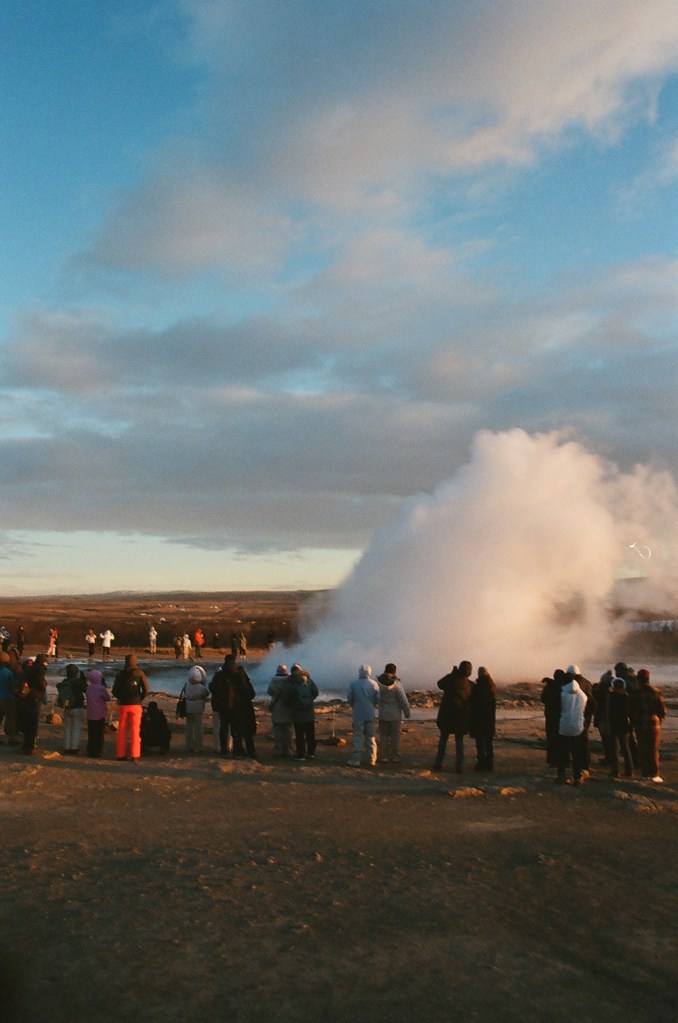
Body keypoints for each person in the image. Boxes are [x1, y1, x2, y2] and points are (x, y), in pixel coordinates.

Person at [209, 654, 257, 759]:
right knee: (236, 729)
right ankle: (237, 751)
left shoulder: (219, 675)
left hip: (222, 706)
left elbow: (211, 687)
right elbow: (245, 690)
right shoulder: (238, 674)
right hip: (236, 706)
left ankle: (224, 751)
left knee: (223, 729)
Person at [432, 661, 473, 772]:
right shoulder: (470, 685)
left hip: (447, 716)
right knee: (459, 741)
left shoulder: (451, 679)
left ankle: (438, 763)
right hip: (461, 717)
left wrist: (451, 674)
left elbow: (440, 684)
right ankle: (459, 766)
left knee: (443, 740)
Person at [629, 668, 666, 782]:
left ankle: (645, 774)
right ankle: (654, 774)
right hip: (653, 724)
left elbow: (630, 709)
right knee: (653, 749)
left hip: (639, 724)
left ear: (638, 679)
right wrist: (659, 719)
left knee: (643, 749)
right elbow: (662, 710)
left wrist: (633, 720)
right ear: (648, 678)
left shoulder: (635, 693)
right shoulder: (655, 691)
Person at [112, 654, 149, 761]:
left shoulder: (120, 674)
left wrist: (121, 698)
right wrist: (140, 698)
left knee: (122, 730)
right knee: (135, 730)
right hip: (135, 704)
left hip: (123, 704)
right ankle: (134, 754)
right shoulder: (139, 673)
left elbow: (114, 690)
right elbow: (146, 689)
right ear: (135, 661)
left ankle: (121, 754)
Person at [557, 672, 591, 787]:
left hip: (564, 726)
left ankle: (561, 775)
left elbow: (559, 708)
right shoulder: (583, 695)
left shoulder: (562, 694)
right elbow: (590, 707)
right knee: (577, 753)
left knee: (563, 751)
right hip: (578, 726)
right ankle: (577, 776)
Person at [283, 663, 319, 762]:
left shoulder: (290, 682)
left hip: (297, 713)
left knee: (299, 734)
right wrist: (310, 700)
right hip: (309, 712)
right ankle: (311, 753)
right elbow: (316, 692)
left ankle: (301, 755)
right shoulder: (309, 680)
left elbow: (285, 698)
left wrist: (291, 705)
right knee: (310, 733)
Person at [347, 665, 380, 767]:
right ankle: (372, 759)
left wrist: (354, 706)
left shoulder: (354, 683)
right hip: (370, 713)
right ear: (369, 672)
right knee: (370, 737)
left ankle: (356, 760)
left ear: (359, 672)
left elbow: (350, 698)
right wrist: (372, 705)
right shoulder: (374, 684)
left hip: (358, 713)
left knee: (358, 736)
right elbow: (378, 699)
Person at [377, 663, 410, 763]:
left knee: (383, 735)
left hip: (382, 714)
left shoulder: (378, 683)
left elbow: (375, 697)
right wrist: (407, 712)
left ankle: (383, 756)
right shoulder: (397, 685)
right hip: (395, 715)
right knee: (395, 736)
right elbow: (403, 700)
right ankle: (395, 756)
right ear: (394, 671)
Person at [18, 653, 48, 754]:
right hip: (35, 696)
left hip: (28, 696)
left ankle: (26, 745)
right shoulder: (40, 669)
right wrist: (43, 687)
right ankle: (30, 746)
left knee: (28, 721)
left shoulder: (31, 668)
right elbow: (40, 682)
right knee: (33, 722)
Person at [470, 666, 497, 772]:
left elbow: (473, 701)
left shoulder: (477, 686)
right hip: (489, 718)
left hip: (478, 718)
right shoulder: (492, 686)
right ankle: (489, 763)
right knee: (489, 742)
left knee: (480, 742)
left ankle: (481, 763)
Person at [57, 663, 88, 755]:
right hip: (77, 706)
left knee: (68, 727)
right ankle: (74, 748)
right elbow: (86, 690)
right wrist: (83, 680)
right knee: (76, 728)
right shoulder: (78, 682)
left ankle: (67, 747)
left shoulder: (65, 681)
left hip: (67, 706)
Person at [607, 677, 633, 779]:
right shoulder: (627, 698)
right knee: (626, 748)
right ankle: (629, 770)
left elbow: (609, 711)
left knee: (615, 749)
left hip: (614, 725)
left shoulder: (611, 697)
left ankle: (615, 771)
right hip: (625, 725)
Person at [267, 663, 293, 757]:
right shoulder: (290, 681)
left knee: (277, 731)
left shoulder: (273, 681)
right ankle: (288, 750)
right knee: (288, 730)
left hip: (277, 707)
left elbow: (269, 692)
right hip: (287, 708)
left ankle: (279, 750)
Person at [183, 665, 210, 754]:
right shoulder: (201, 687)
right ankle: (198, 747)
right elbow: (206, 694)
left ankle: (188, 746)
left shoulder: (187, 685)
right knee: (198, 728)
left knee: (189, 728)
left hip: (188, 707)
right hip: (198, 708)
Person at [86, 669, 111, 758]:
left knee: (92, 733)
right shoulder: (101, 688)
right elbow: (108, 698)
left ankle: (91, 750)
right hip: (100, 714)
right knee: (99, 733)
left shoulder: (88, 688)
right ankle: (98, 750)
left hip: (90, 714)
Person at [540, 671, 564, 767]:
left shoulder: (549, 686)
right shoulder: (563, 687)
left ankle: (551, 760)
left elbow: (543, 699)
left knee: (551, 738)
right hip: (561, 716)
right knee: (561, 739)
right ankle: (561, 759)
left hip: (550, 715)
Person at [0, 651, 18, 744]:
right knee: (11, 719)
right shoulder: (8, 673)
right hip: (8, 698)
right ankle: (12, 738)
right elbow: (12, 686)